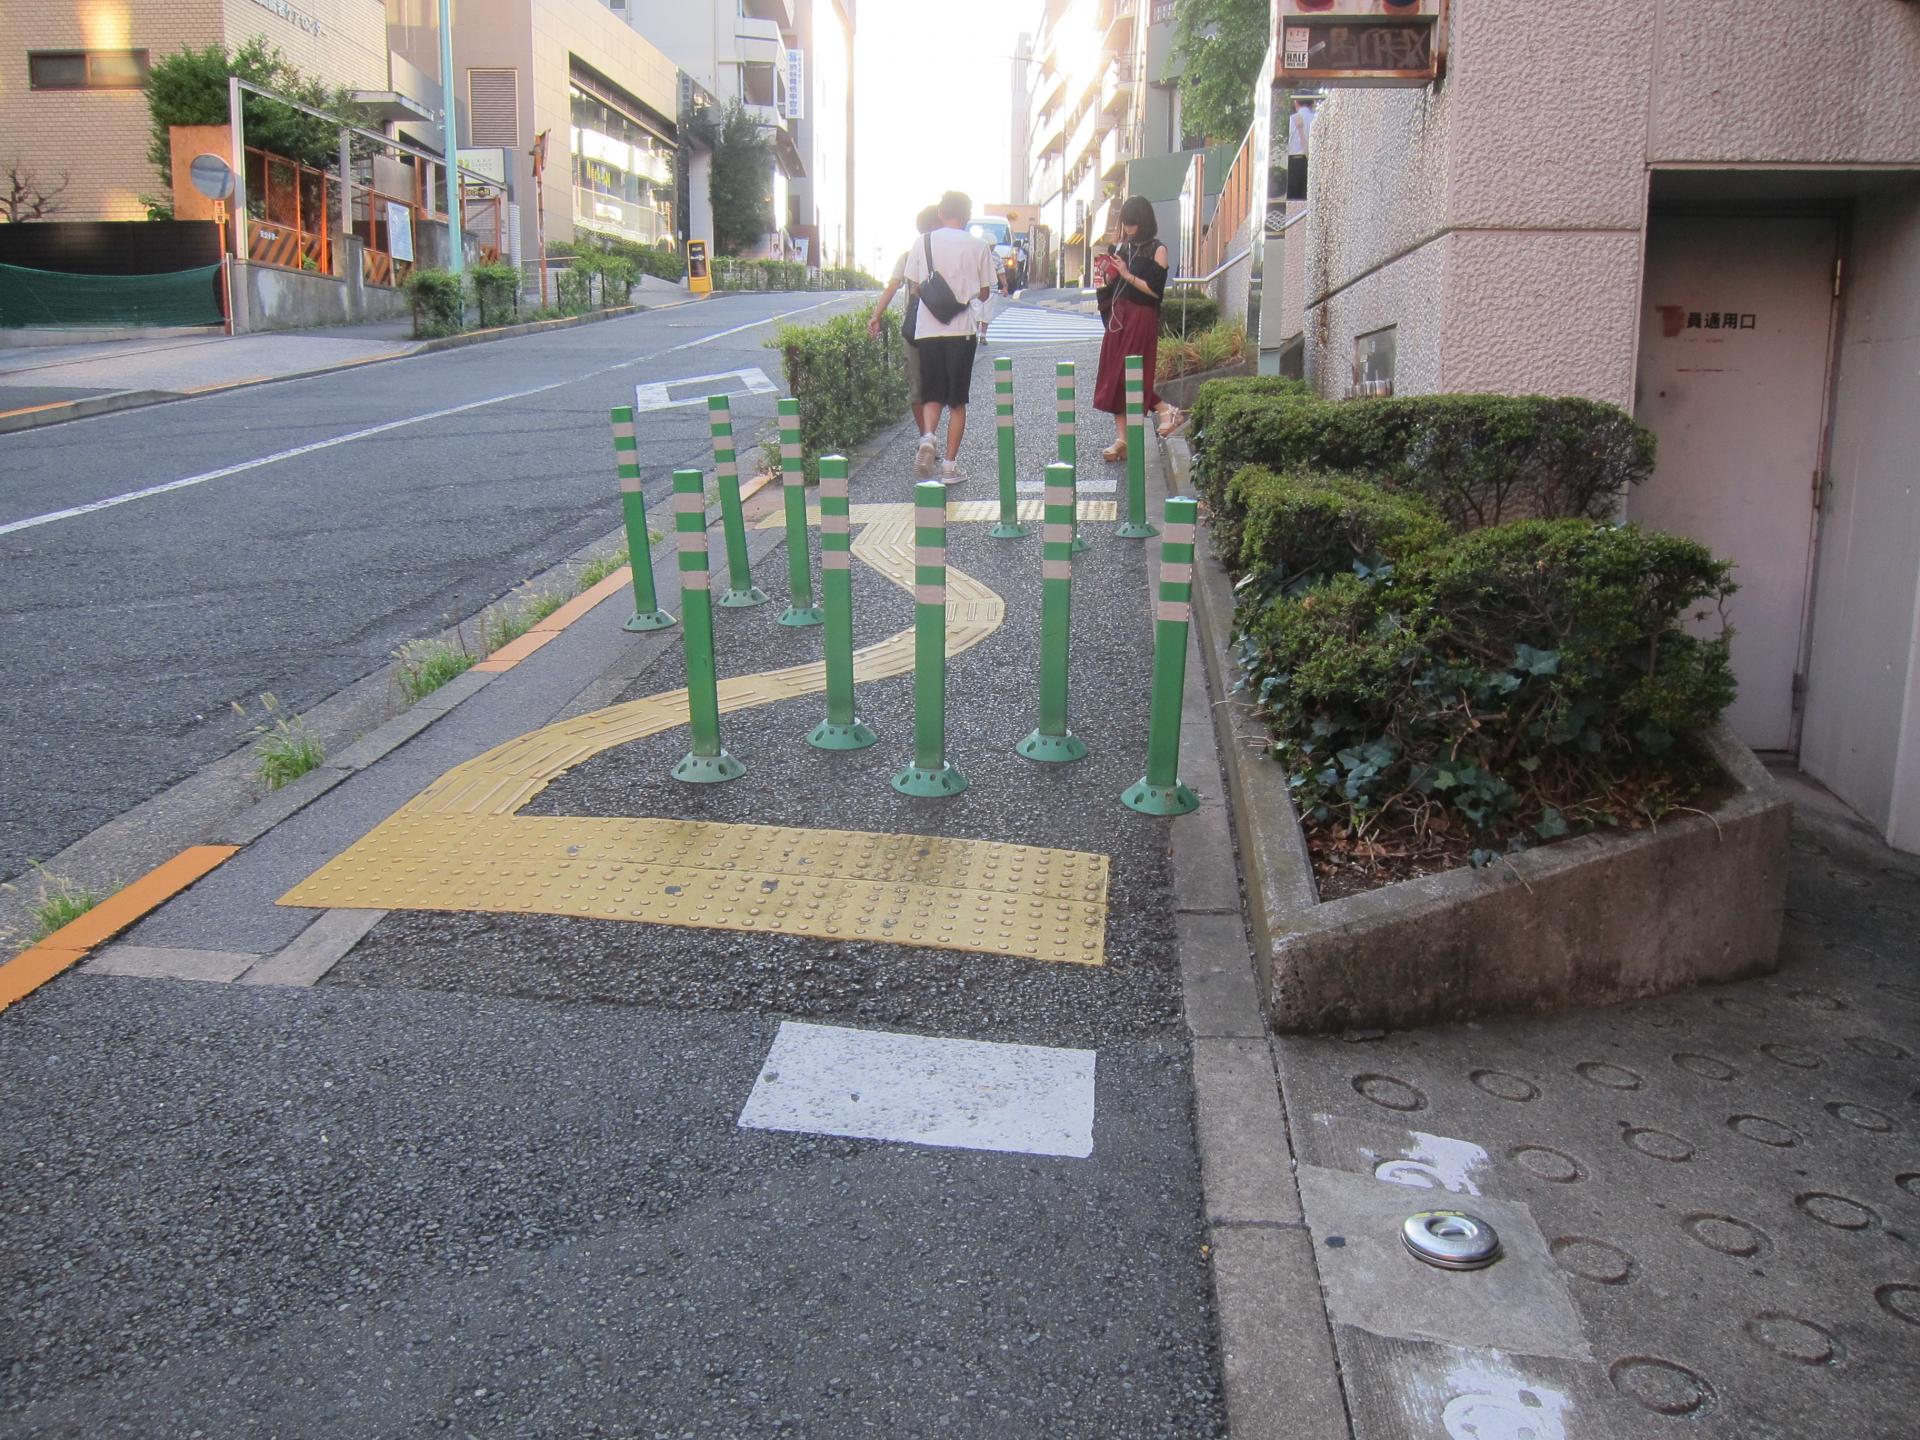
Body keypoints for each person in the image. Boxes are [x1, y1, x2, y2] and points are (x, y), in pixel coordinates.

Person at [903, 190, 997, 483]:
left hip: (928, 328)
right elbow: (984, 291)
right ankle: (949, 467)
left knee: (932, 393)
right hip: (962, 330)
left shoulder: (924, 241)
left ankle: (928, 436)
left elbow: (916, 284)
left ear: (941, 213)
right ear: (967, 216)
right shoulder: (979, 246)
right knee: (956, 402)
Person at [1092, 195, 1177, 461]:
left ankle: (1165, 409)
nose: (1128, 229)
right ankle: (1121, 439)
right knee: (1112, 374)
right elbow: (1111, 284)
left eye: (1132, 224)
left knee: (1128, 373)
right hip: (1119, 315)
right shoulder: (1122, 246)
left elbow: (1154, 291)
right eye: (1125, 224)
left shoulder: (1158, 249)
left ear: (1143, 221)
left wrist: (1127, 274)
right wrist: (1107, 272)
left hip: (1141, 315)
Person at [869, 205, 940, 421]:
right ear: (936, 225)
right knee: (936, 387)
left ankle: (926, 437)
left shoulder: (908, 255)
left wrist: (876, 316)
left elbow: (892, 286)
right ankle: (929, 438)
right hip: (943, 327)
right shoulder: (949, 254)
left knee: (916, 386)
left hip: (915, 327)